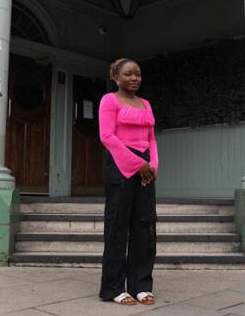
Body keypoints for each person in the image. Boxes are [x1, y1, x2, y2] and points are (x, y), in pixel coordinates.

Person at [98, 58, 159, 306]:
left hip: (145, 168)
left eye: (138, 74)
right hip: (120, 165)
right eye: (128, 74)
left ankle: (141, 285)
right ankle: (113, 287)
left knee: (145, 226)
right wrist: (137, 164)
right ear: (115, 76)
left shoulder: (146, 104)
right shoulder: (108, 100)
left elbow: (152, 139)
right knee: (117, 227)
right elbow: (107, 136)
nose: (134, 78)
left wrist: (152, 166)